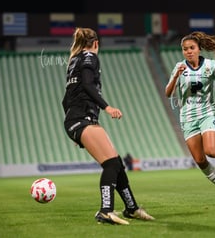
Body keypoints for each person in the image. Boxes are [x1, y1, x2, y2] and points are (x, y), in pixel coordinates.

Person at [62, 27, 154, 225]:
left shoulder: (74, 61)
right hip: (82, 119)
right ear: (96, 43)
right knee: (111, 164)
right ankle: (106, 211)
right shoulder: (90, 57)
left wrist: (75, 130)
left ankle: (132, 208)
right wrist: (107, 107)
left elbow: (65, 100)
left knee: (117, 164)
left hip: (76, 120)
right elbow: (87, 85)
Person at [164, 31, 215, 204]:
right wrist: (176, 75)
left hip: (207, 112)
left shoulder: (210, 65)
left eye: (191, 48)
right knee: (199, 159)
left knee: (211, 150)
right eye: (185, 49)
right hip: (188, 117)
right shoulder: (179, 67)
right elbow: (168, 93)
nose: (188, 52)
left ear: (199, 49)